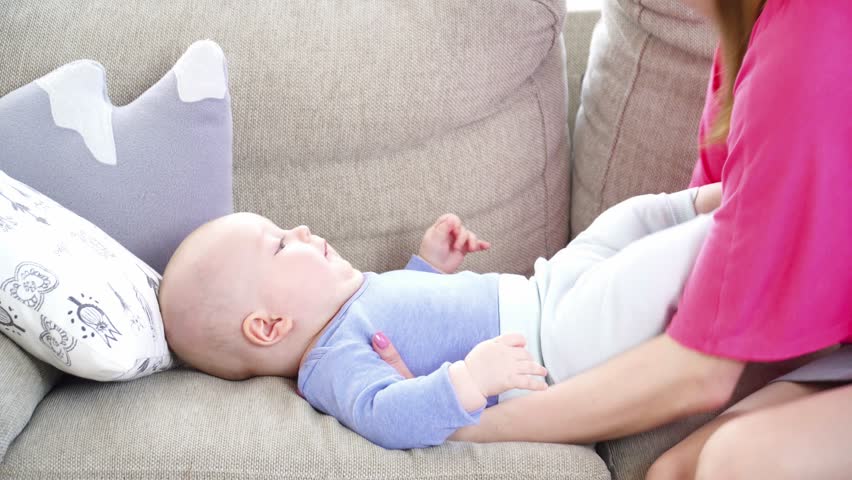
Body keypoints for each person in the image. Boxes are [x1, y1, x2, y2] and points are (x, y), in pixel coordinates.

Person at [374, 0, 852, 476]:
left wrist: (456, 425)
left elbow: (702, 370)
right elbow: (720, 258)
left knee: (734, 462)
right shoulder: (750, 33)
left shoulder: (803, 50)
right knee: (670, 472)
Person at [158, 182, 722, 450]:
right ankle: (740, 223)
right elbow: (387, 413)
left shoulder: (352, 304)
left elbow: (412, 319)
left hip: (545, 287)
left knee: (628, 219)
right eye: (281, 244)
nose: (300, 230)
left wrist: (428, 265)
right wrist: (470, 379)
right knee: (659, 266)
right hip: (553, 346)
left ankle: (721, 196)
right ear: (268, 326)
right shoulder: (329, 363)